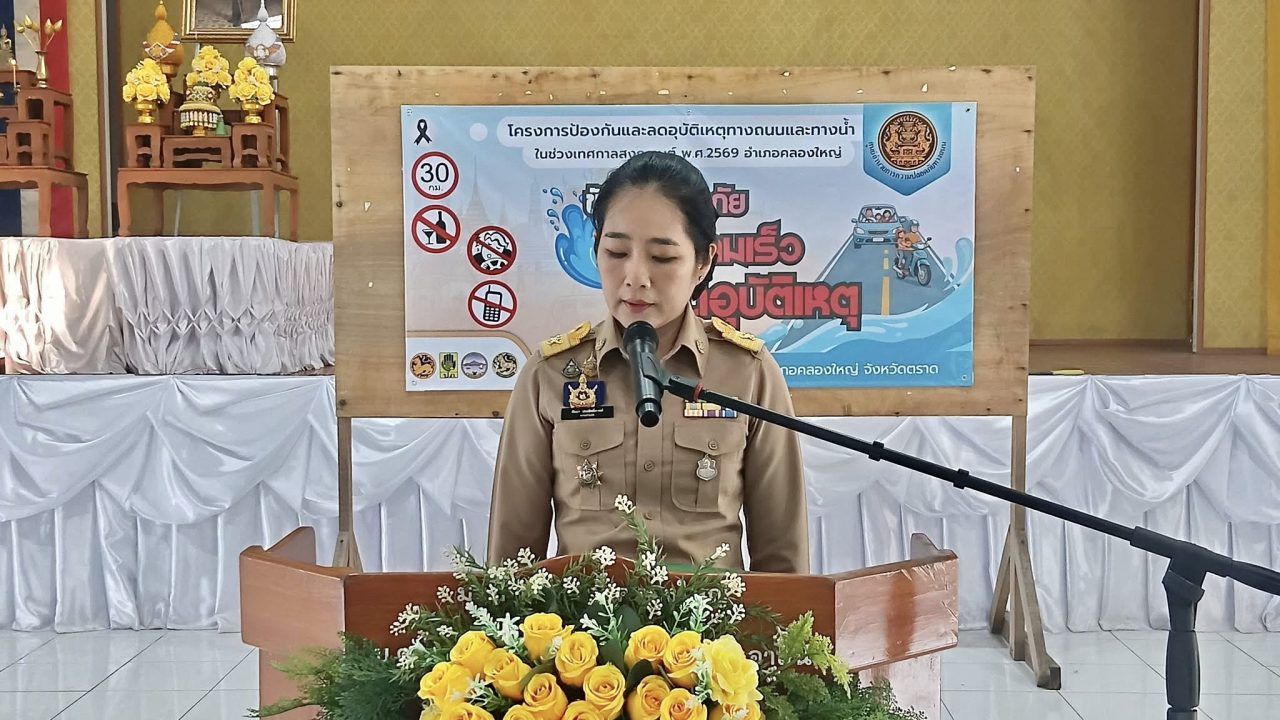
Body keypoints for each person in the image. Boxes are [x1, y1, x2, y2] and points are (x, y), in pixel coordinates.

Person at [487, 151, 809, 573]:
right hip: (584, 616)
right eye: (616, 252)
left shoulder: (748, 373)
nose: (635, 277)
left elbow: (784, 564)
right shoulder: (548, 375)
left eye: (662, 258)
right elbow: (511, 564)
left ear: (703, 262)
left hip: (713, 615)